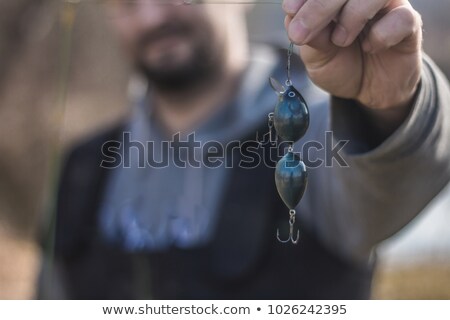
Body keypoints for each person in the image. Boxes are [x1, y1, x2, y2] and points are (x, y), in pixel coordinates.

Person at [38, 0, 450, 299]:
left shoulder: (322, 133)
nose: (153, 15)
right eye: (127, 2)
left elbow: (405, 173)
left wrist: (392, 103)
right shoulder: (83, 165)